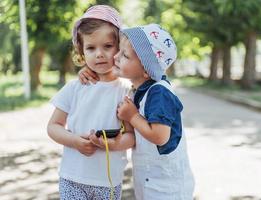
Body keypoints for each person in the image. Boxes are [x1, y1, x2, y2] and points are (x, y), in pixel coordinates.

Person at [80, 23, 195, 200]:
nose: (116, 57)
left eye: (124, 55)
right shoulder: (137, 89)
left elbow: (160, 136)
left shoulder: (159, 93)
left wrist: (132, 116)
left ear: (147, 70)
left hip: (168, 187)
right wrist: (87, 70)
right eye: (119, 50)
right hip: (149, 181)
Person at [47, 5, 135, 200]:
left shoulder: (127, 91)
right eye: (91, 48)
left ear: (120, 47)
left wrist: (110, 144)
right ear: (81, 51)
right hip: (72, 178)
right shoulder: (75, 87)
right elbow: (53, 126)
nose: (99, 54)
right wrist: (75, 141)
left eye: (107, 46)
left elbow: (131, 136)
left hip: (108, 182)